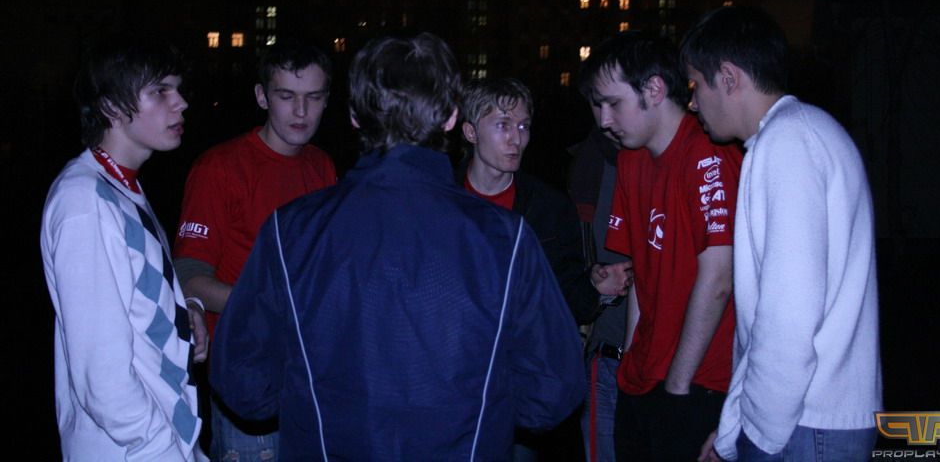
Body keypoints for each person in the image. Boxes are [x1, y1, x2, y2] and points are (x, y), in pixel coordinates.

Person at [209, 33, 587, 460]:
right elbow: (552, 391)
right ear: (451, 117)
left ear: (354, 116)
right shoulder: (503, 237)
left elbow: (244, 383)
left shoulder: (293, 230)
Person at [681, 6, 882, 462]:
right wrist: (733, 430)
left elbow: (787, 319)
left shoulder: (788, 143)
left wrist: (756, 436)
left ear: (728, 78)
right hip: (812, 420)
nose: (692, 104)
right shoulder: (803, 132)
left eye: (695, 86)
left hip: (805, 427)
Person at [40, 36, 208, 460]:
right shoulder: (85, 202)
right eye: (160, 91)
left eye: (177, 88)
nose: (181, 102)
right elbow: (101, 377)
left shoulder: (119, 188)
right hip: (137, 450)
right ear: (112, 107)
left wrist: (184, 313)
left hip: (164, 438)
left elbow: (133, 299)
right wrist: (161, 449)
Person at [580, 30, 742, 461]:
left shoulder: (707, 154)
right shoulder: (630, 159)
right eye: (598, 106)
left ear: (653, 89)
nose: (603, 120)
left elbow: (719, 277)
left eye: (612, 103)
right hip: (642, 378)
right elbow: (640, 274)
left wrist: (677, 384)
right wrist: (633, 360)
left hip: (698, 382)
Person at [173, 37, 337, 461]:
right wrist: (276, 305)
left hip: (313, 380)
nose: (300, 111)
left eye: (313, 97)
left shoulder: (322, 166)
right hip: (248, 380)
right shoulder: (219, 168)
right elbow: (189, 277)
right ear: (262, 97)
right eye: (286, 96)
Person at [457, 77, 633, 461]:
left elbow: (565, 297)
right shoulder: (441, 198)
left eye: (523, 126)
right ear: (470, 132)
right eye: (503, 125)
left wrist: (596, 288)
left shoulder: (548, 208)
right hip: (454, 380)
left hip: (518, 384)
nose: (516, 139)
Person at [567, 108, 626, 462]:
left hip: (652, 359)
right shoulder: (594, 159)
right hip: (605, 349)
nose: (606, 115)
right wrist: (592, 277)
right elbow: (578, 258)